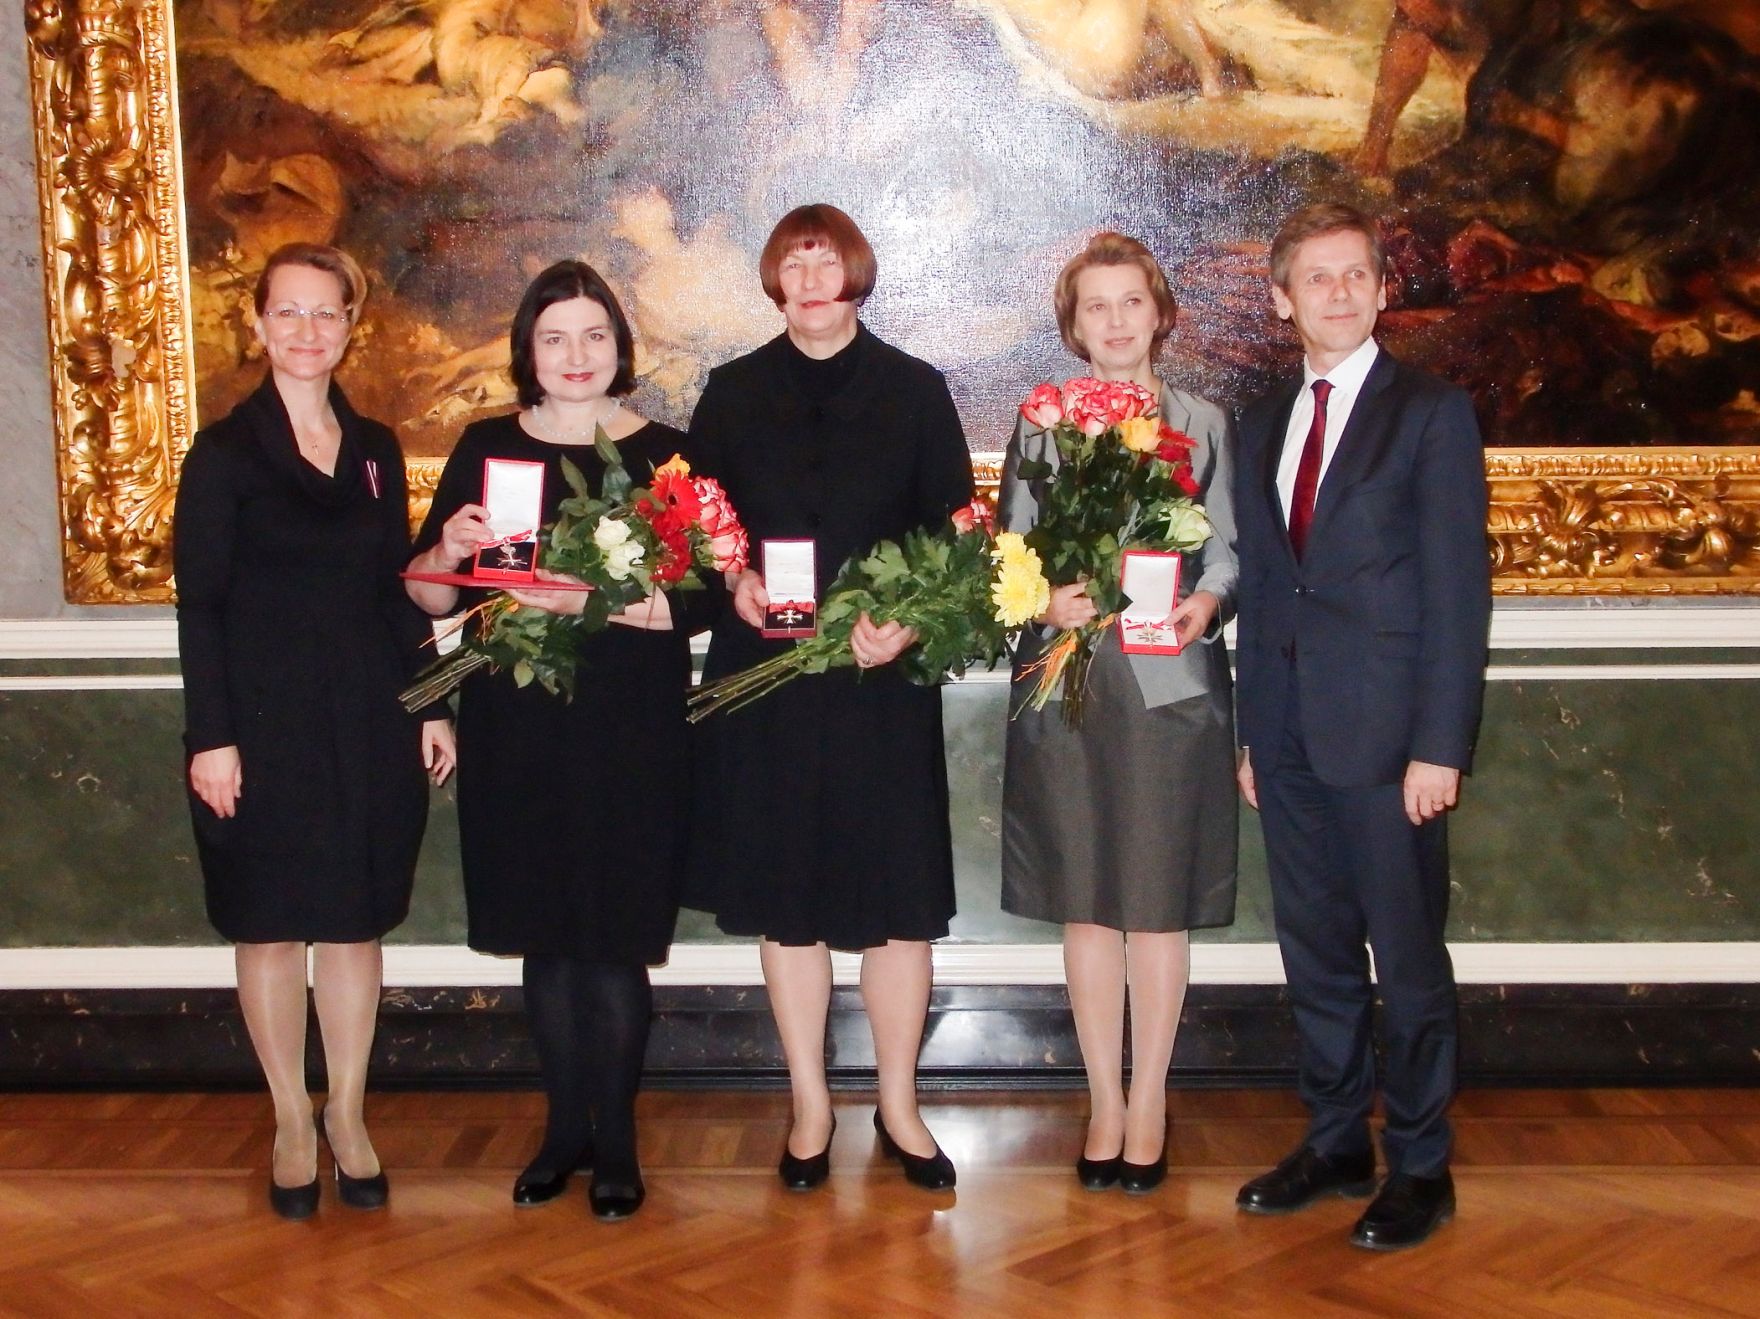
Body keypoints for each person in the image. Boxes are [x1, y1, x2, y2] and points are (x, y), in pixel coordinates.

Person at [687, 204, 974, 1193]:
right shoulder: (729, 392)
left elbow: (956, 541)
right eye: (791, 264)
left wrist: (906, 622)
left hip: (877, 684)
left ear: (856, 274)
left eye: (826, 262)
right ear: (772, 280)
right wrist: (733, 580)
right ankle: (808, 1103)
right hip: (767, 684)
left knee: (896, 910)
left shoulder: (913, 390)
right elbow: (697, 524)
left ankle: (898, 1103)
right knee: (788, 906)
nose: (809, 280)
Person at [406, 260, 700, 1221]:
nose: (576, 356)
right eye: (555, 338)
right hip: (517, 721)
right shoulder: (486, 445)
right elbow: (429, 594)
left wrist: (591, 599)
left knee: (611, 938)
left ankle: (615, 1142)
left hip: (630, 724)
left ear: (620, 346)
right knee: (546, 938)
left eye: (594, 336)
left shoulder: (667, 455)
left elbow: (700, 595)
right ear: (528, 351)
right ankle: (560, 1131)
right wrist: (448, 549)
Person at [175, 241, 456, 1221]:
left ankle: (347, 1114)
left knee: (351, 918)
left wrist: (431, 701)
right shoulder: (221, 454)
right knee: (268, 920)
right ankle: (291, 1117)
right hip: (257, 727)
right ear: (256, 325)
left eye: (324, 312)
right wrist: (211, 738)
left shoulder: (376, 448)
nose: (305, 330)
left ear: (350, 325)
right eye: (286, 313)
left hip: (369, 716)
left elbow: (395, 593)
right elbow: (200, 606)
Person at [1231, 203, 1491, 1250]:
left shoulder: (1428, 412)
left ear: (1382, 291)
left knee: (1406, 957)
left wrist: (1439, 744)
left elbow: (1454, 590)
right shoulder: (1260, 422)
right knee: (1318, 951)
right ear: (1281, 298)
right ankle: (1336, 1138)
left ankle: (1420, 1163)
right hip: (1287, 738)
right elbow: (1263, 583)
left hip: (1389, 746)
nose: (1335, 293)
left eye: (1354, 276)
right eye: (1314, 278)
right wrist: (1252, 733)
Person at [997, 232, 1239, 1194]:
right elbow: (1010, 548)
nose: (1114, 321)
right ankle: (1103, 1097)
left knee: (1157, 899)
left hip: (1170, 683)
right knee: (1089, 900)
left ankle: (1153, 1098)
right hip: (1070, 680)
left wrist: (1209, 602)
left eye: (1130, 302)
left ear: (1159, 311)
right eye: (1094, 306)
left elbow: (1227, 549)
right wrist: (1043, 599)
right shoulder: (1043, 421)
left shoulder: (1206, 419)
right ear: (1073, 325)